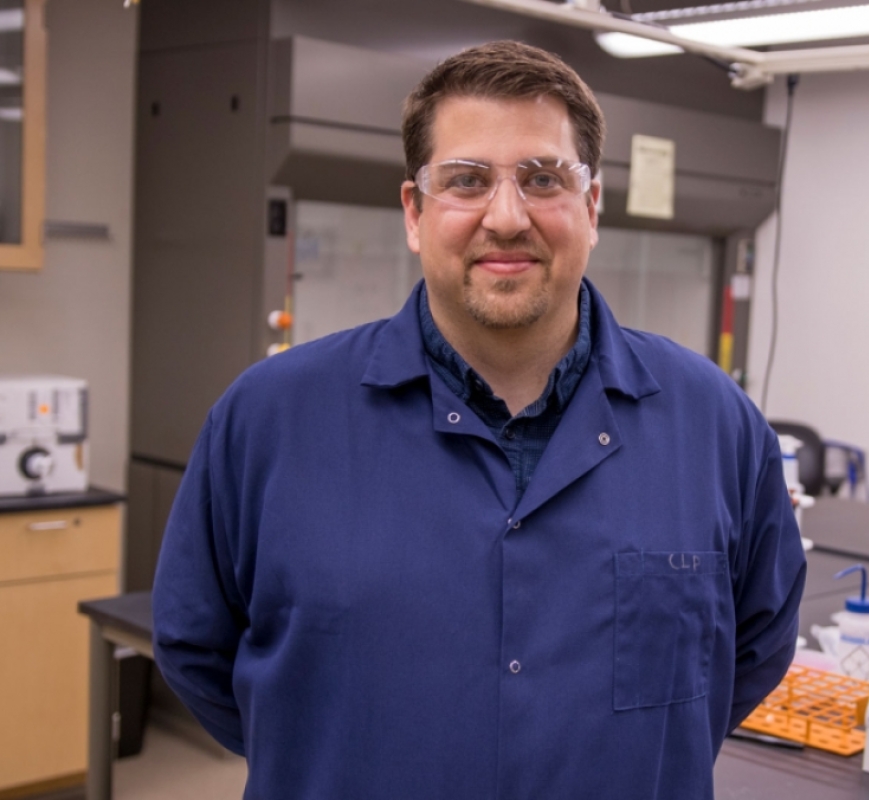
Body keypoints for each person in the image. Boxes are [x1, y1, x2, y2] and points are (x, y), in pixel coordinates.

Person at [153, 40, 806, 800]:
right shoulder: (269, 419)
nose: (506, 216)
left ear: (591, 208)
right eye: (466, 180)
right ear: (414, 212)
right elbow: (197, 647)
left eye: (543, 179)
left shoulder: (715, 424)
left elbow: (755, 647)